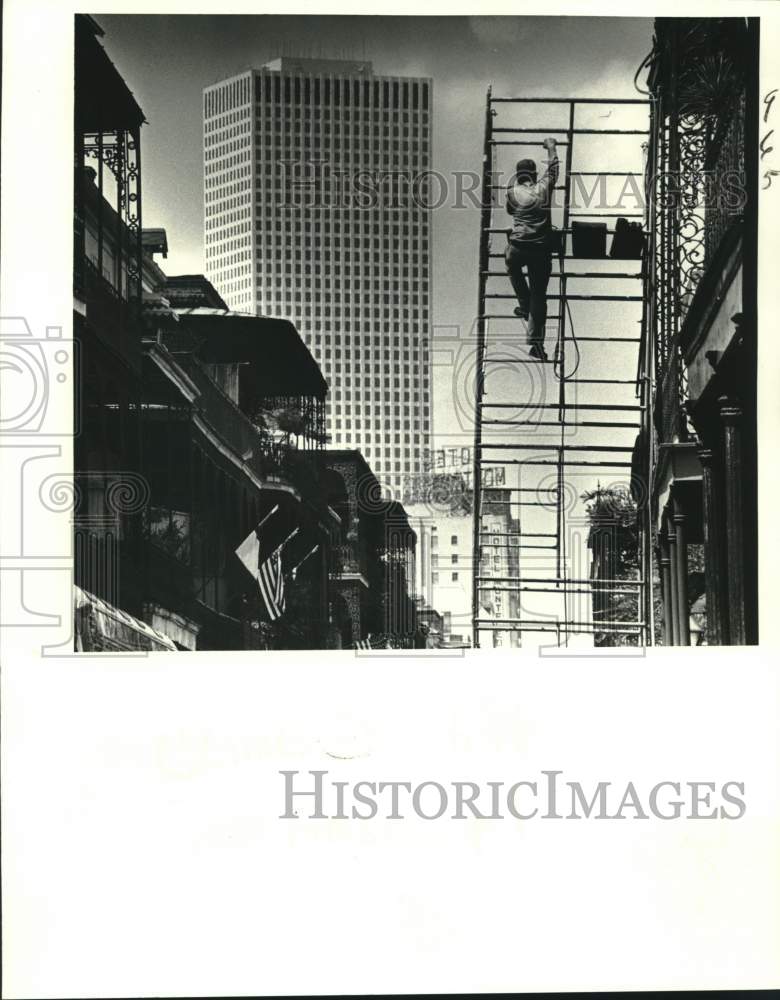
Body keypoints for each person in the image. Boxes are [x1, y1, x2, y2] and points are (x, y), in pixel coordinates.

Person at [504, 137, 560, 361]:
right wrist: (551, 147)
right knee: (539, 294)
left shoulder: (511, 192)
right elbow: (554, 169)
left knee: (510, 263)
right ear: (535, 176)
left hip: (518, 247)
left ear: (519, 176)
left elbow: (510, 211)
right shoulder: (543, 188)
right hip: (540, 250)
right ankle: (536, 344)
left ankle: (524, 305)